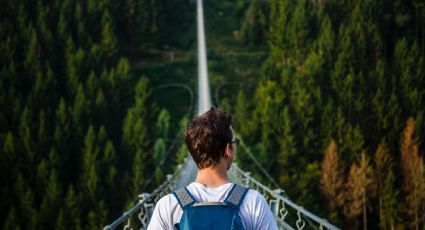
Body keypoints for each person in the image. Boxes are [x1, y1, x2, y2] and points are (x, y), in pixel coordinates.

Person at [147, 107, 278, 230]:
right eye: (234, 143)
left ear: (193, 152)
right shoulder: (253, 202)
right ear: (228, 150)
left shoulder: (168, 205)